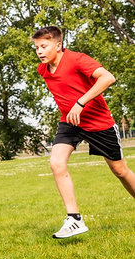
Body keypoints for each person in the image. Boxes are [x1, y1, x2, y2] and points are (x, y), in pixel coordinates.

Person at [31, 26, 135, 238]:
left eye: (44, 46)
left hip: (98, 123)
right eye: (36, 48)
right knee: (56, 163)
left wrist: (80, 102)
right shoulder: (43, 70)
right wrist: (72, 109)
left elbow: (108, 78)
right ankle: (75, 219)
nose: (39, 51)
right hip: (69, 122)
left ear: (58, 45)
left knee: (120, 171)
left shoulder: (77, 59)